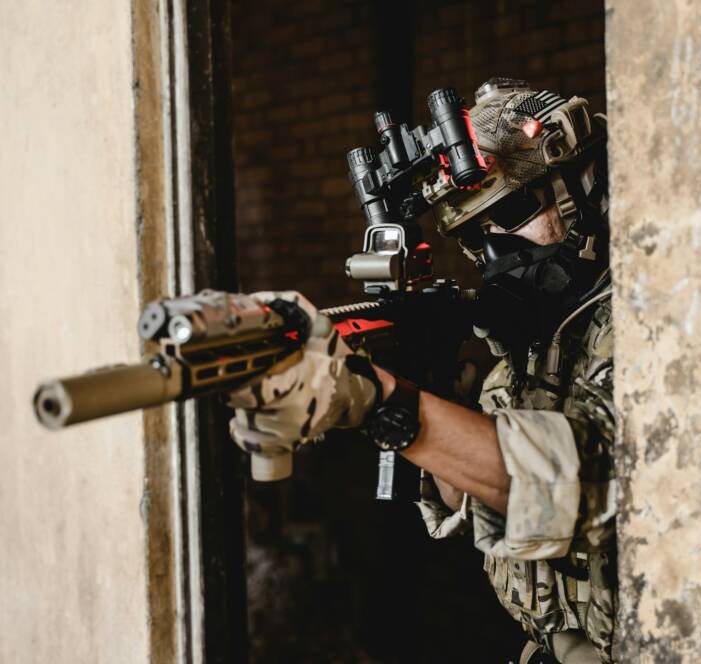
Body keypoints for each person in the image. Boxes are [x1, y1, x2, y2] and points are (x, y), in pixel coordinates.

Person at [226, 79, 616, 664]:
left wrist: (383, 402)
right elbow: (471, 491)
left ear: (581, 188)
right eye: (475, 237)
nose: (498, 250)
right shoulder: (531, 353)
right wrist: (421, 387)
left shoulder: (658, 322)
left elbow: (578, 484)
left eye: (511, 212)